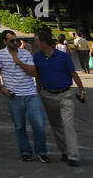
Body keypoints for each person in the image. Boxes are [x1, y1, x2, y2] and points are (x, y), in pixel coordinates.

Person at [0, 30, 49, 163]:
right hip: (13, 96)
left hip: (30, 93)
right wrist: (1, 87)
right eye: (12, 41)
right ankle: (26, 152)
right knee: (19, 126)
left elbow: (34, 73)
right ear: (5, 41)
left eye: (16, 40)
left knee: (39, 123)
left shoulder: (25, 53)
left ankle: (41, 152)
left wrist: (19, 62)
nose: (15, 43)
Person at [32, 29, 84, 167]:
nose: (35, 44)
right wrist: (39, 90)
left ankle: (73, 156)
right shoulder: (37, 57)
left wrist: (82, 90)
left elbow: (73, 73)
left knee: (67, 124)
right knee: (56, 125)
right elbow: (37, 74)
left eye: (37, 41)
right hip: (48, 95)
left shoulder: (63, 57)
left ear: (44, 42)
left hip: (65, 94)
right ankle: (65, 151)